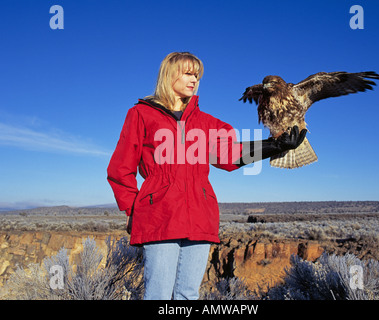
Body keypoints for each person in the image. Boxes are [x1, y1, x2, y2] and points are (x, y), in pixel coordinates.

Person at [107, 52, 306, 300]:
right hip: (159, 215)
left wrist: (274, 146)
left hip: (200, 216)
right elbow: (120, 168)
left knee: (188, 294)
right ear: (169, 75)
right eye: (188, 73)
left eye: (197, 75)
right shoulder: (141, 115)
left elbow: (231, 155)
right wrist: (131, 209)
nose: (194, 80)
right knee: (158, 294)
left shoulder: (208, 123)